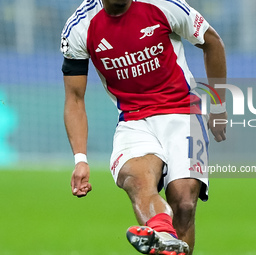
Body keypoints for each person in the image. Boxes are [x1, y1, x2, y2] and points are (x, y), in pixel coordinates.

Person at [60, 0, 227, 254]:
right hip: (133, 121)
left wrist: (218, 104)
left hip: (184, 112)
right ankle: (165, 237)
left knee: (184, 203)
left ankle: (164, 237)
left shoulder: (164, 4)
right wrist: (80, 159)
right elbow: (74, 98)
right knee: (138, 182)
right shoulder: (79, 28)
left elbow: (212, 41)